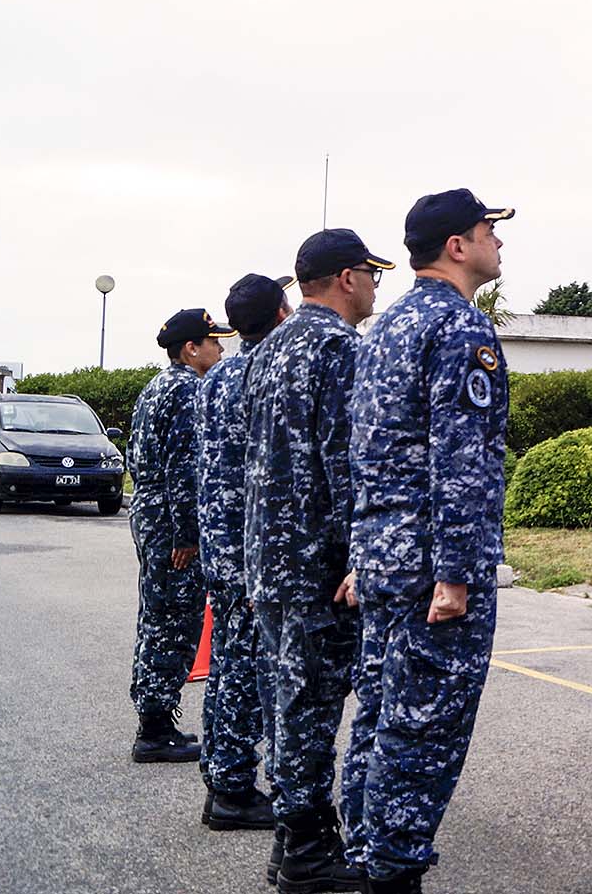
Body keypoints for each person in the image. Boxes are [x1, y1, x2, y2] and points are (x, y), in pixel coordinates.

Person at [347, 190, 513, 894]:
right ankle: (393, 871)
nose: (497, 243)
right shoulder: (458, 328)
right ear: (456, 245)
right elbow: (460, 458)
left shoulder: (386, 326)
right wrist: (455, 573)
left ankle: (365, 851)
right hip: (429, 565)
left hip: (384, 553)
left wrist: (361, 556)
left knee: (382, 713)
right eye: (488, 232)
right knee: (426, 727)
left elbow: (364, 449)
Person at [246, 229, 393, 894]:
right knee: (310, 710)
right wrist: (363, 558)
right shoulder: (341, 350)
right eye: (370, 274)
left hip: (271, 562)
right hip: (318, 565)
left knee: (289, 704)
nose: (373, 287)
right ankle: (306, 853)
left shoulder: (266, 350)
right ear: (344, 277)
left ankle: (292, 843)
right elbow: (347, 463)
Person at [194, 274, 293, 836]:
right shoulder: (267, 374)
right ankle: (233, 789)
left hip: (222, 540)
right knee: (250, 672)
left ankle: (223, 781)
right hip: (254, 548)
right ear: (281, 315)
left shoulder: (218, 377)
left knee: (231, 666)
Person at [128, 307, 237, 764]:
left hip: (151, 515)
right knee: (175, 620)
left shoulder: (157, 387)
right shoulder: (188, 389)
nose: (220, 348)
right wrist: (189, 536)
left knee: (157, 614)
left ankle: (152, 717)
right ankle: (153, 729)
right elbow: (185, 470)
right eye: (213, 341)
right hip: (173, 522)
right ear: (191, 348)